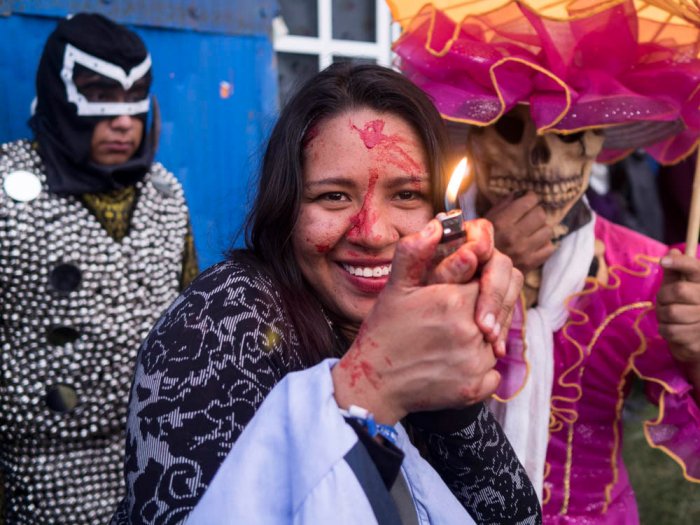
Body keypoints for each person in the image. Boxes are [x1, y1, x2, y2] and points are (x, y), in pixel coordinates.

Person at [111, 62, 541, 524]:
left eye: (406, 196)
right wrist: (371, 386)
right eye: (334, 196)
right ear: (287, 207)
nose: (372, 233)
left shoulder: (423, 318)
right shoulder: (221, 321)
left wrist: (446, 407)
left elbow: (515, 517)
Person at [393, 1, 700, 523]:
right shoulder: (418, 253)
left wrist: (695, 349)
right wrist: (477, 273)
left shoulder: (647, 271)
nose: (542, 159)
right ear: (477, 140)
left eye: (568, 136)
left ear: (595, 147)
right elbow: (386, 390)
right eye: (514, 130)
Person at [0, 13, 198, 524]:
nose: (123, 121)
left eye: (134, 101)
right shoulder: (7, 191)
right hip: (40, 470)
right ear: (61, 96)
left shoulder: (164, 195)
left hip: (156, 458)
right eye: (100, 97)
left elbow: (190, 320)